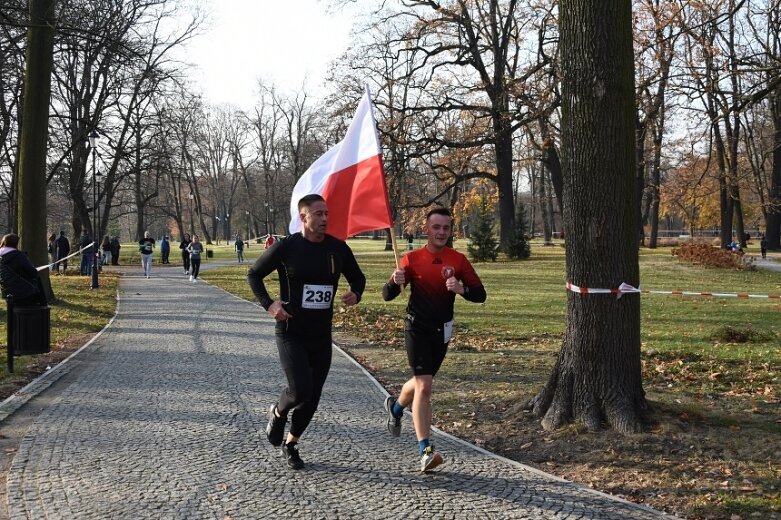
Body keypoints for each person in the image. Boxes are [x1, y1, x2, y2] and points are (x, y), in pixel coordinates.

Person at [247, 194, 366, 470]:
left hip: (321, 335)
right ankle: (277, 412)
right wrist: (269, 304)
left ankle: (291, 443)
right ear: (303, 217)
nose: (325, 218)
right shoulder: (287, 247)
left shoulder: (337, 248)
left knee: (313, 395)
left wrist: (355, 293)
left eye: (327, 213)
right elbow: (254, 274)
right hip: (290, 330)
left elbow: (358, 277)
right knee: (300, 388)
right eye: (318, 213)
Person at [382, 207, 486, 473]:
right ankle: (425, 450)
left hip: (442, 331)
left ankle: (395, 407)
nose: (441, 232)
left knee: (420, 384)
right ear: (425, 229)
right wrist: (395, 281)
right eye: (436, 227)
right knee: (425, 386)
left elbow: (480, 294)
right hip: (416, 328)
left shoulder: (458, 260)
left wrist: (461, 289)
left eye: (446, 228)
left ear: (451, 231)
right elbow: (387, 295)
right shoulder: (411, 258)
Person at [0, 234, 45, 307]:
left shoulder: (1, 256)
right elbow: (32, 273)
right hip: (22, 291)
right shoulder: (19, 256)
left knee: (12, 313)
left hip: (6, 290)